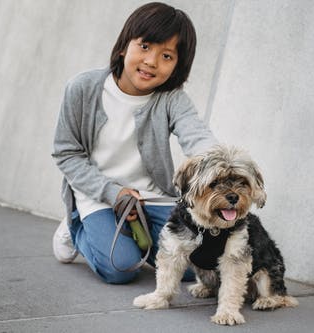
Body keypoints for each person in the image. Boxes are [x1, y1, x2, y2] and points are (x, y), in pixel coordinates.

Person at [51, 2, 217, 284]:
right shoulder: (83, 88)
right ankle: (76, 227)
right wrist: (112, 192)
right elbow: (67, 153)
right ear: (123, 46)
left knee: (194, 269)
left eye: (166, 55)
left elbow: (196, 135)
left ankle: (141, 237)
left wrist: (219, 165)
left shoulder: (171, 98)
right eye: (145, 46)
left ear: (178, 66)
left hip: (154, 196)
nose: (152, 61)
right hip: (98, 194)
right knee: (121, 268)